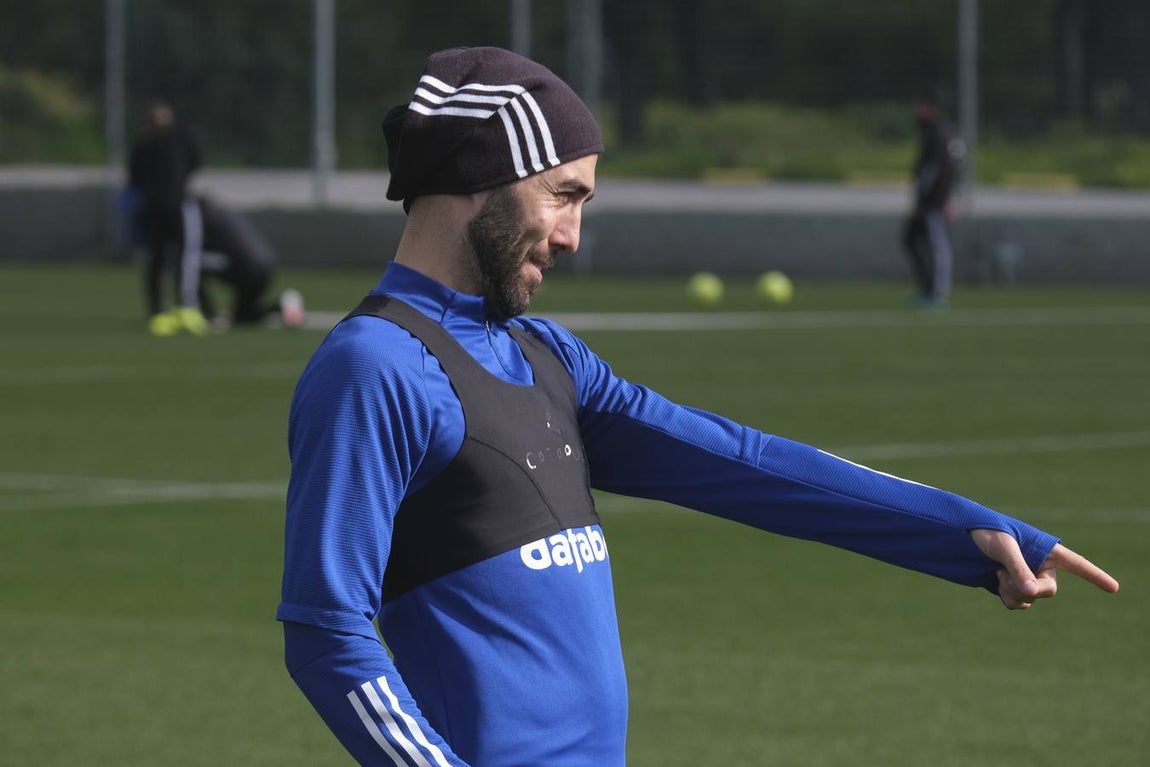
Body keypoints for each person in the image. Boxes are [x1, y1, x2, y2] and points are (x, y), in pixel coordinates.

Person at [278, 47, 1118, 767]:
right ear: (479, 180)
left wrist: (959, 529)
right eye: (564, 195)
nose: (573, 236)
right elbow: (326, 629)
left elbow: (741, 463)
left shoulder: (545, 356)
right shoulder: (376, 366)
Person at [127, 101, 208, 336]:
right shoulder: (150, 144)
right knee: (168, 258)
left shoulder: (161, 142)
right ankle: (169, 312)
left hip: (166, 205)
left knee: (176, 257)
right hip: (166, 206)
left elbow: (134, 178)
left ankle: (179, 309)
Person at [196, 196, 305, 329]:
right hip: (265, 266)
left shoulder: (202, 218)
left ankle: (206, 313)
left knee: (191, 264)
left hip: (245, 266)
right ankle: (282, 307)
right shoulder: (223, 214)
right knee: (243, 316)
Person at [903, 92, 964, 308]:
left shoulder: (939, 133)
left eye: (918, 106)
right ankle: (928, 288)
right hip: (931, 200)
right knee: (911, 238)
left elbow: (941, 169)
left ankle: (937, 293)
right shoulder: (939, 131)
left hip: (934, 201)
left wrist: (946, 198)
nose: (915, 111)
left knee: (938, 245)